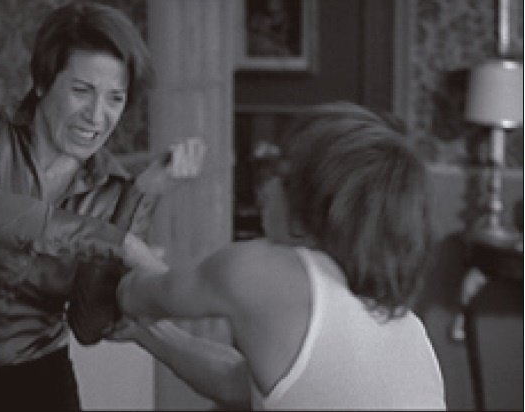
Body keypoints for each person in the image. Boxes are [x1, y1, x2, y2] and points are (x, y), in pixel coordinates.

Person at [0, 1, 206, 411]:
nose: (97, 116)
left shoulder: (113, 190)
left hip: (40, 387)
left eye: (115, 98)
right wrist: (120, 243)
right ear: (42, 82)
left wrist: (143, 194)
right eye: (82, 91)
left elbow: (89, 324)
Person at [115, 103, 447, 410]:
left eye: (280, 173)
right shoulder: (405, 326)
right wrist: (143, 333)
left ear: (305, 204)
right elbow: (234, 383)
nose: (266, 186)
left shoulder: (267, 272)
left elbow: (131, 294)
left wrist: (145, 194)